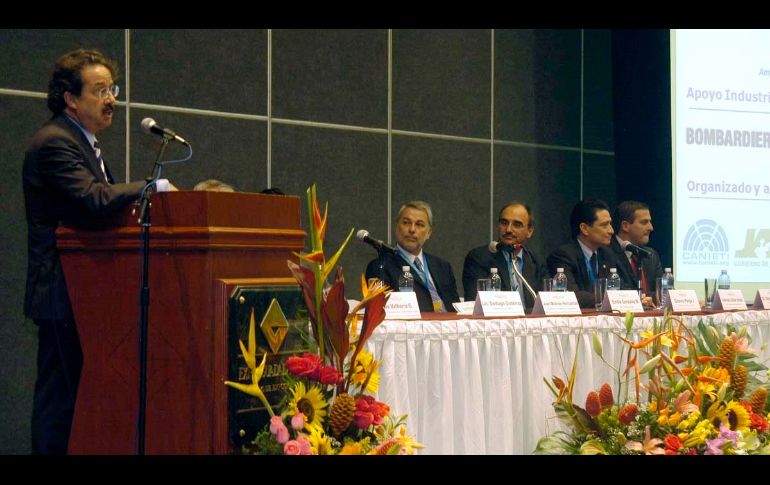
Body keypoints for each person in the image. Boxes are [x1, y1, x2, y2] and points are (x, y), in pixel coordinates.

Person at [23, 48, 175, 454]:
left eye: (113, 88)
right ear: (70, 98)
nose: (111, 99)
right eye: (100, 90)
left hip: (86, 292)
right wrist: (151, 187)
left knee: (78, 402)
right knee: (60, 403)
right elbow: (92, 200)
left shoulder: (83, 143)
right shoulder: (56, 142)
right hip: (62, 292)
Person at [365, 200, 459, 313]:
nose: (412, 229)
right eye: (406, 223)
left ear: (429, 233)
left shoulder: (442, 267)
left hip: (450, 327)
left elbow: (455, 307)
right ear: (396, 227)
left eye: (419, 225)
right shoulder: (380, 267)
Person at [462, 201, 548, 309]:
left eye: (517, 225)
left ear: (529, 231)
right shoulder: (479, 258)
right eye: (504, 223)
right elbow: (475, 304)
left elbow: (545, 304)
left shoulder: (535, 261)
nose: (508, 229)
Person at [546, 199, 620, 308]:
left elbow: (620, 288)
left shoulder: (607, 255)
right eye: (605, 225)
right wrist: (611, 300)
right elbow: (571, 295)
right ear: (584, 228)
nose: (611, 230)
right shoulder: (563, 256)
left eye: (610, 224)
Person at [610, 200, 663, 307]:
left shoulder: (650, 254)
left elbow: (663, 292)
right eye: (644, 222)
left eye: (650, 222)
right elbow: (617, 292)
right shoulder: (607, 252)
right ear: (625, 226)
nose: (650, 228)